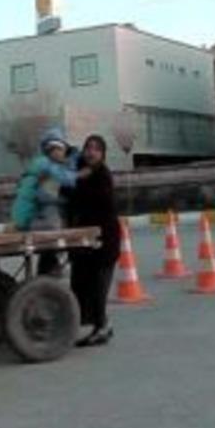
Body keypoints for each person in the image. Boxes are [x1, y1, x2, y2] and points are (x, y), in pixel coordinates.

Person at [67, 134, 121, 347]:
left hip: (104, 241)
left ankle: (102, 327)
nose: (91, 152)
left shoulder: (102, 176)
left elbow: (100, 204)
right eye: (88, 147)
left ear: (103, 154)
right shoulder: (78, 171)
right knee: (80, 284)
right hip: (84, 242)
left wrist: (81, 178)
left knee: (98, 287)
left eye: (97, 149)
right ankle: (97, 324)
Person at [12, 127, 88, 275]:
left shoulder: (46, 164)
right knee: (54, 225)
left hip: (29, 213)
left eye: (60, 149)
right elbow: (49, 193)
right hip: (30, 216)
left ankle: (50, 267)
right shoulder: (45, 165)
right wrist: (79, 175)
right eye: (53, 149)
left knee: (55, 226)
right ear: (48, 151)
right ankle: (50, 268)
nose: (57, 153)